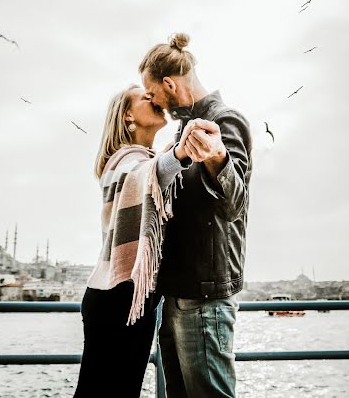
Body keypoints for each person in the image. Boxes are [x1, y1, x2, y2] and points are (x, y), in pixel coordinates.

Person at [138, 33, 253, 398]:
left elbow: (235, 205)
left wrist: (218, 159)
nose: (152, 101)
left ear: (169, 83)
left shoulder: (225, 121)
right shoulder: (181, 131)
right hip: (177, 293)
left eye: (153, 93)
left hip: (203, 297)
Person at [73, 84, 194, 398]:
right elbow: (142, 176)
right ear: (127, 116)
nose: (153, 99)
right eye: (144, 97)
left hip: (134, 297)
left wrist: (173, 152)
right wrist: (181, 153)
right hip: (115, 297)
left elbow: (155, 171)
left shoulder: (147, 160)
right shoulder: (121, 163)